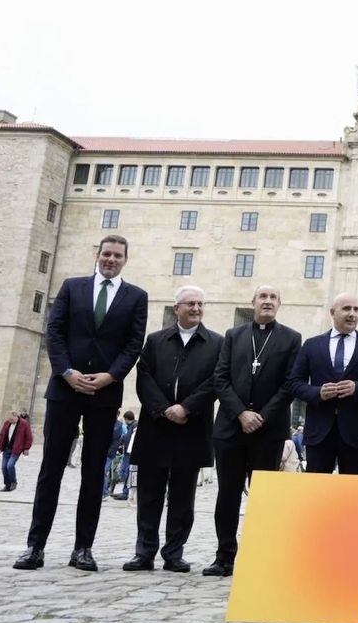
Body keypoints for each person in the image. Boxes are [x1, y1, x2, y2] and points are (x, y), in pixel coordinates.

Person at [15, 235, 149, 573]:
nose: (110, 260)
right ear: (98, 256)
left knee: (93, 473)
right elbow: (54, 332)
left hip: (104, 395)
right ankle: (35, 546)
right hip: (65, 389)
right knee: (51, 471)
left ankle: (83, 548)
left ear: (125, 259)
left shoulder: (136, 297)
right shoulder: (72, 287)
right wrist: (66, 371)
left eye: (117, 255)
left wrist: (111, 376)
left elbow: (133, 345)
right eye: (106, 254)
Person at [124, 284, 222, 573]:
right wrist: (164, 409)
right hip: (157, 426)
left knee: (182, 497)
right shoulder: (155, 341)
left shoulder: (216, 343)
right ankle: (144, 552)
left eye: (200, 304)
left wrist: (186, 407)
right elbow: (144, 377)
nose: (196, 308)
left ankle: (174, 552)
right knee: (149, 495)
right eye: (190, 303)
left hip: (192, 427)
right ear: (176, 308)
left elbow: (216, 380)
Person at [208, 286, 303, 577]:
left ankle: (260, 556)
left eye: (273, 298)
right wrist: (241, 413)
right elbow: (220, 378)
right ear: (253, 303)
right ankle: (224, 557)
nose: (268, 302)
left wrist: (260, 416)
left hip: (268, 430)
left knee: (263, 497)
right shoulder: (234, 336)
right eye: (263, 297)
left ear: (279, 305)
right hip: (230, 428)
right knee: (227, 494)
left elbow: (289, 385)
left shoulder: (291, 338)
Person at [290, 292, 358, 475]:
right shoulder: (311, 345)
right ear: (332, 312)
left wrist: (357, 388)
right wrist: (318, 392)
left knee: (352, 495)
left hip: (355, 432)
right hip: (318, 432)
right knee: (316, 491)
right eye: (346, 308)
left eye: (356, 309)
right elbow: (295, 383)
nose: (352, 314)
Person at [0, 411, 33, 490]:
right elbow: (2, 434)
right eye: (9, 420)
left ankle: (13, 482)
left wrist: (26, 448)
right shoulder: (7, 423)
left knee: (10, 465)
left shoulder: (24, 424)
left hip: (16, 449)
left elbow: (29, 437)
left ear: (16, 416)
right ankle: (7, 485)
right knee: (4, 467)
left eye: (11, 419)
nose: (10, 421)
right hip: (6, 448)